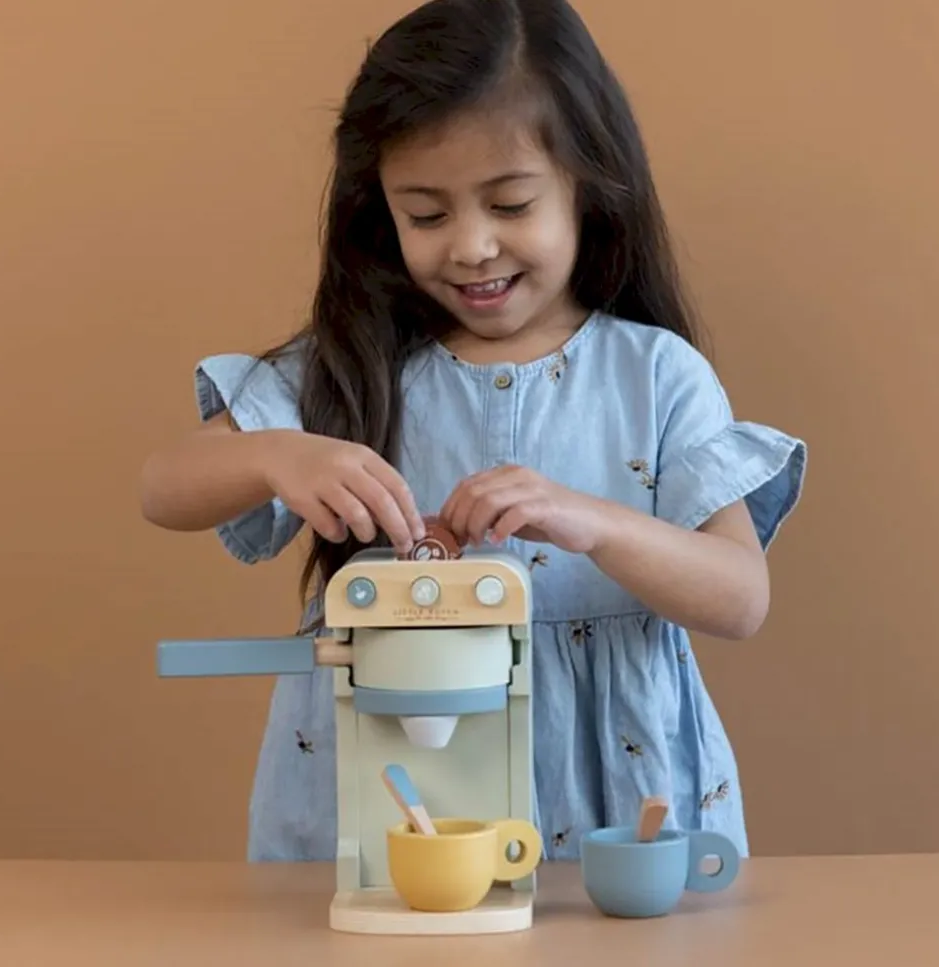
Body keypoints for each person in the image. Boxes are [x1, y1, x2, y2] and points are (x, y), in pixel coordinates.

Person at [140, 0, 806, 863]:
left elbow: (741, 597)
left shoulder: (653, 374)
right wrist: (273, 454)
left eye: (511, 203)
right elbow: (164, 488)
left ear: (588, 183)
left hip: (606, 805)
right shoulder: (352, 363)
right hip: (389, 788)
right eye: (427, 215)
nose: (472, 247)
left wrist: (594, 521)